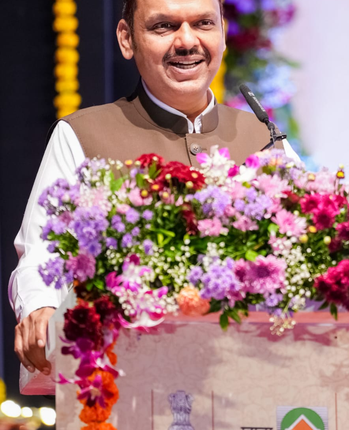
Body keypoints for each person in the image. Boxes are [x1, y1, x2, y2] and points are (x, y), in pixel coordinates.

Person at [9, 0, 300, 379]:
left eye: (203, 24)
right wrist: (40, 307)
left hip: (254, 377)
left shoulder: (265, 139)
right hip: (125, 379)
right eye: (164, 26)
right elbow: (43, 251)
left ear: (223, 33)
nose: (187, 41)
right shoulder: (82, 135)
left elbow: (307, 255)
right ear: (126, 39)